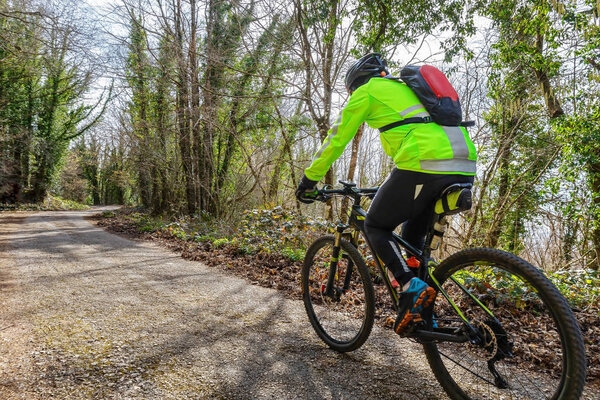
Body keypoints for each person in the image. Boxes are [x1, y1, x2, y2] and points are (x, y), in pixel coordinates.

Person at [295, 53, 477, 334]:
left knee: (375, 225)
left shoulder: (368, 91)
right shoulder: (409, 90)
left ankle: (409, 285)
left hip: (425, 162)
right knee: (412, 240)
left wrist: (309, 180)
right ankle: (420, 315)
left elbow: (337, 138)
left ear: (355, 84)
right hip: (464, 162)